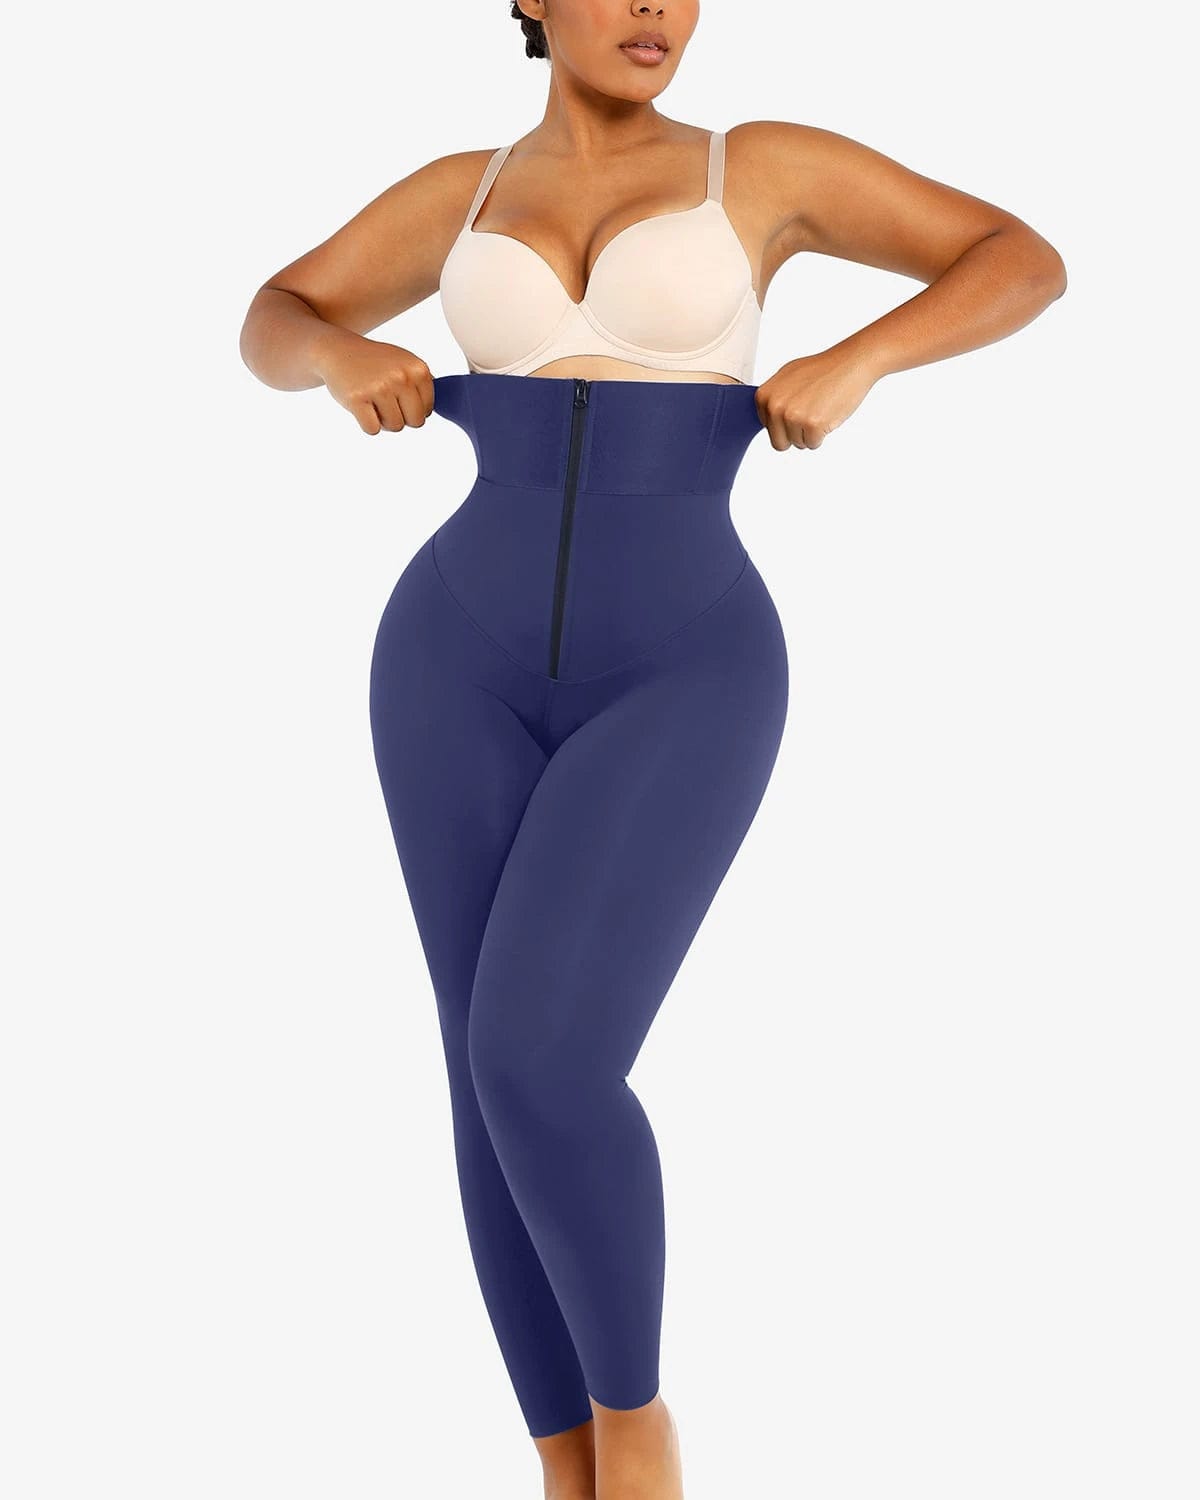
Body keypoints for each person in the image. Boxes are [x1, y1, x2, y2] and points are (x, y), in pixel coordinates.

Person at [239, 4, 1067, 1496]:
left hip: (685, 662)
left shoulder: (763, 167)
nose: (653, 10)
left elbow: (1020, 257)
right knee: (481, 1081)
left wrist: (864, 357)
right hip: (449, 659)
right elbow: (273, 313)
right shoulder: (461, 193)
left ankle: (637, 1428)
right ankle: (565, 1467)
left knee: (540, 1059)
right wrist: (333, 351)